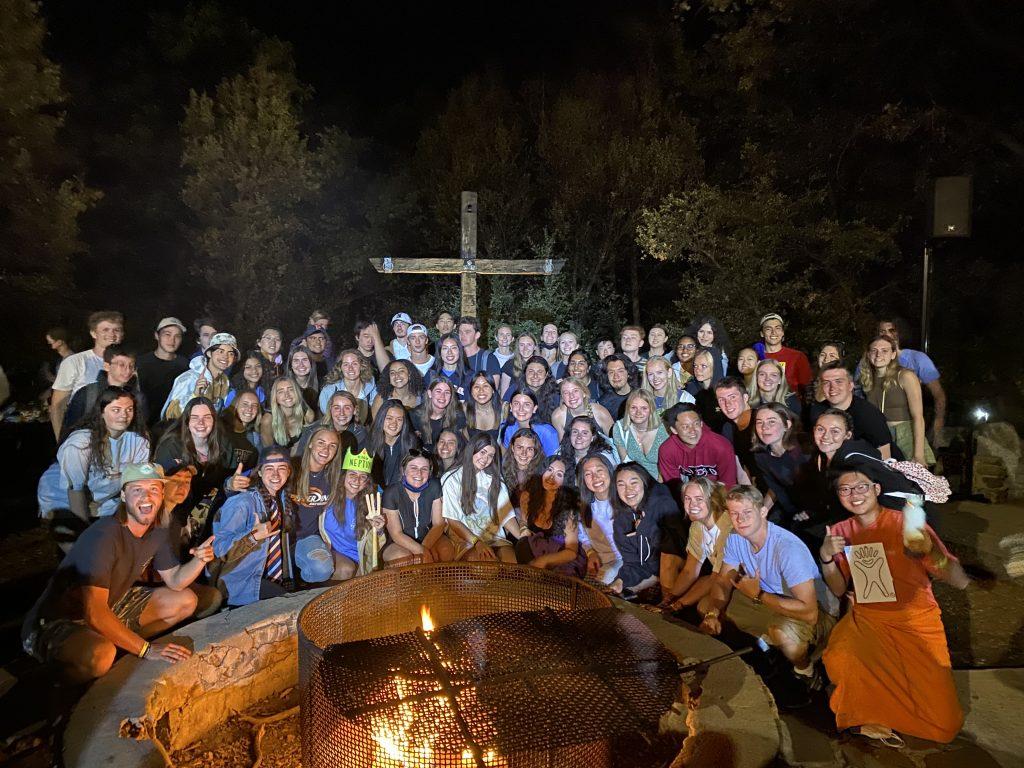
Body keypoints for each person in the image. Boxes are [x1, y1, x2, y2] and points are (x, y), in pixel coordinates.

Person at [22, 462, 214, 682]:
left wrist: (199, 560)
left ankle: (118, 645)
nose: (147, 497)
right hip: (58, 621)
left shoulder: (158, 527)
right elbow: (93, 612)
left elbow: (176, 581)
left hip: (109, 605)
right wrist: (147, 650)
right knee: (99, 656)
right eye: (137, 490)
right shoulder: (104, 536)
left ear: (162, 494)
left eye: (153, 489)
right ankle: (60, 683)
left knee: (186, 600)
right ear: (123, 495)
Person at [820, 469, 966, 745]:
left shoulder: (906, 524)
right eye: (845, 489)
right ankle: (864, 705)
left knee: (944, 726)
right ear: (839, 496)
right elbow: (839, 589)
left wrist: (930, 551)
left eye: (861, 487)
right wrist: (826, 557)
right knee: (840, 656)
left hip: (916, 622)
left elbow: (957, 579)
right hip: (870, 620)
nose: (855, 494)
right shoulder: (840, 533)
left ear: (876, 489)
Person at [697, 485, 835, 685]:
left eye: (747, 512)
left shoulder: (787, 549)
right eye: (734, 514)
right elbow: (723, 580)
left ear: (762, 511)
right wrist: (713, 614)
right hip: (767, 597)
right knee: (707, 605)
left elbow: (810, 612)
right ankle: (763, 655)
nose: (740, 519)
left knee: (782, 632)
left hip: (817, 611)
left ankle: (806, 671)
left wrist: (758, 595)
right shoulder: (736, 538)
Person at [37, 387, 151, 549]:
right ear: (102, 412)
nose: (123, 415)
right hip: (64, 497)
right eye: (116, 410)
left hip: (105, 499)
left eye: (129, 409)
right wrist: (85, 538)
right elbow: (75, 492)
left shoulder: (139, 442)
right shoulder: (81, 444)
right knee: (81, 554)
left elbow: (135, 486)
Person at [155, 397, 251, 553]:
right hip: (175, 506)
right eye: (195, 418)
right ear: (186, 421)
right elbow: (167, 489)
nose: (201, 423)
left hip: (206, 504)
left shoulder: (223, 445)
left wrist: (230, 484)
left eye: (207, 417)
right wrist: (182, 520)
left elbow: (225, 482)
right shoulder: (171, 446)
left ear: (214, 420)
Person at [211, 446, 300, 605]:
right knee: (289, 605)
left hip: (268, 577)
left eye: (281, 468)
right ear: (259, 472)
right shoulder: (242, 502)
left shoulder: (282, 499)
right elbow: (219, 549)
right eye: (269, 468)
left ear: (289, 472)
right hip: (241, 582)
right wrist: (252, 537)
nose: (275, 474)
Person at [609, 462, 687, 599]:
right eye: (621, 485)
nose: (628, 490)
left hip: (682, 564)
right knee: (615, 591)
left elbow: (677, 545)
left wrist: (645, 528)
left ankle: (668, 606)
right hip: (651, 570)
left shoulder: (662, 503)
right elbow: (633, 562)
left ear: (645, 482)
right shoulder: (621, 521)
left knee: (668, 557)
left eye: (634, 483)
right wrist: (620, 580)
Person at [290, 428, 357, 584]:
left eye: (332, 445)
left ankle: (308, 591)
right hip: (283, 539)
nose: (326, 449)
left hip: (309, 538)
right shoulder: (291, 468)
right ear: (310, 444)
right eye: (321, 443)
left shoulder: (333, 478)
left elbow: (358, 490)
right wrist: (230, 485)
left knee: (342, 568)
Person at [442, 433, 522, 561]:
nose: (485, 459)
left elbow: (505, 514)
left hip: (494, 537)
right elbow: (452, 520)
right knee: (488, 564)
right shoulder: (452, 479)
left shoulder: (495, 479)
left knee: (511, 563)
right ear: (472, 450)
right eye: (482, 452)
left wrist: (523, 538)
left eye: (490, 456)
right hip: (466, 538)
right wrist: (477, 542)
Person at [311, 448, 386, 580]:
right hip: (334, 556)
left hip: (360, 560)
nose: (357, 481)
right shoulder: (327, 498)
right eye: (352, 474)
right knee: (347, 569)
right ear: (343, 476)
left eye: (363, 477)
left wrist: (379, 531)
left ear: (367, 482)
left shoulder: (370, 504)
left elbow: (371, 549)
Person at [660, 478, 732, 613]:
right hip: (720, 578)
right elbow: (690, 571)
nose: (692, 504)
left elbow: (716, 578)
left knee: (703, 607)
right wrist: (668, 600)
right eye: (687, 499)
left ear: (712, 500)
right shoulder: (697, 526)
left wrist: (678, 604)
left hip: (740, 581)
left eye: (699, 499)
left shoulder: (727, 527)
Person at [50, 311, 125, 439]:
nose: (112, 335)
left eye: (116, 330)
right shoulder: (75, 362)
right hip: (84, 436)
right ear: (93, 333)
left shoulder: (130, 363)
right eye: (105, 330)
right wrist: (61, 441)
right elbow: (57, 406)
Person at [860, 336, 933, 466]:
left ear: (893, 354)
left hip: (905, 436)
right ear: (868, 354)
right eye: (874, 350)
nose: (878, 354)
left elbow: (918, 417)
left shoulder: (906, 376)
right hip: (880, 437)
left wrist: (919, 454)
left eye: (884, 350)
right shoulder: (867, 379)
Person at [876, 316, 946, 442]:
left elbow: (938, 394)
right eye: (882, 331)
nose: (886, 334)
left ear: (899, 332)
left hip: (911, 425)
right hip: (879, 427)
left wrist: (938, 420)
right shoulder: (870, 359)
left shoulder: (918, 359)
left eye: (891, 330)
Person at [515, 457, 587, 577]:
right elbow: (524, 522)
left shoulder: (568, 507)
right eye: (549, 470)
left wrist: (544, 561)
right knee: (522, 544)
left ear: (564, 481)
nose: (551, 477)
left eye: (559, 474)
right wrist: (523, 528)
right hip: (536, 548)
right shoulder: (527, 496)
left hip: (561, 555)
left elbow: (571, 552)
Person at [61, 344, 147, 441]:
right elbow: (70, 429)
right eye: (121, 365)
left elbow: (141, 430)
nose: (127, 370)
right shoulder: (87, 394)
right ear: (107, 366)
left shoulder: (138, 397)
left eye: (131, 365)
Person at [809, 362, 895, 459]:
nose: (832, 388)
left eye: (838, 381)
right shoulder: (818, 410)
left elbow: (885, 458)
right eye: (826, 383)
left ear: (850, 385)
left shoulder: (869, 415)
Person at [381, 450, 454, 565]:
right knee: (403, 559)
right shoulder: (391, 493)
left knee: (445, 551)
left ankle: (437, 582)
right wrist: (421, 551)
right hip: (398, 542)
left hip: (427, 536)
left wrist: (424, 549)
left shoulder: (434, 487)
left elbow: (439, 524)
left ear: (429, 472)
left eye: (424, 469)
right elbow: (396, 534)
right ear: (403, 470)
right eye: (413, 468)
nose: (419, 473)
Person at [751, 403, 811, 527]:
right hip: (792, 510)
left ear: (787, 425)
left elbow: (819, 488)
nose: (764, 427)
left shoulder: (804, 450)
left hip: (817, 508)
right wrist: (764, 510)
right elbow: (777, 489)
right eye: (759, 422)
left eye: (771, 422)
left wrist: (809, 511)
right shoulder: (761, 455)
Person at [657, 403, 738, 496]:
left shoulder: (721, 446)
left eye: (696, 424)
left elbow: (728, 484)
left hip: (718, 495)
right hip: (689, 496)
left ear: (701, 424)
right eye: (685, 427)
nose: (692, 431)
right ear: (674, 430)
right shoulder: (667, 450)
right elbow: (674, 487)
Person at [162, 332, 238, 420]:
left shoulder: (224, 381)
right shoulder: (189, 378)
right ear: (209, 353)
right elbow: (170, 416)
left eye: (231, 353)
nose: (225, 356)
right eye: (220, 351)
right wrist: (195, 396)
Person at [576, 454, 623, 584]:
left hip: (626, 560)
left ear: (609, 470)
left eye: (599, 470)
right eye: (588, 474)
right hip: (600, 560)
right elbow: (582, 535)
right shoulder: (584, 507)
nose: (595, 477)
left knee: (603, 580)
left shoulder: (625, 499)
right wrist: (590, 552)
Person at [135, 317, 189, 426]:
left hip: (173, 425)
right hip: (144, 425)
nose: (172, 340)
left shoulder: (185, 365)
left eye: (177, 336)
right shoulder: (141, 363)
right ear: (156, 336)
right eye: (167, 334)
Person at [612, 389, 669, 480]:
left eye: (644, 408)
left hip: (662, 480)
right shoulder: (620, 428)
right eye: (633, 408)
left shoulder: (664, 429)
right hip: (635, 480)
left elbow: (667, 467)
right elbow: (625, 462)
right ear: (628, 409)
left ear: (651, 409)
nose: (638, 413)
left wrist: (658, 489)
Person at [367, 399, 422, 488]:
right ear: (381, 418)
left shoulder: (412, 443)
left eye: (399, 419)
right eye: (389, 418)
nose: (394, 423)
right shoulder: (370, 441)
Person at [757, 313, 813, 400]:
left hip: (790, 407)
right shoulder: (754, 357)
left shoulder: (798, 356)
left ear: (782, 332)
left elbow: (807, 386)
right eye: (768, 329)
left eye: (778, 328)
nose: (773, 332)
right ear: (762, 333)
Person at [296, 390, 367, 455]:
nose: (341, 413)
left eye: (347, 408)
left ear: (354, 410)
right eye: (337, 408)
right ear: (330, 409)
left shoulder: (360, 434)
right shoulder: (312, 431)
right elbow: (298, 460)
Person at [319, 348, 378, 423]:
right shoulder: (329, 391)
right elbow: (327, 418)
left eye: (354, 364)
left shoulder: (372, 390)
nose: (350, 368)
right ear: (340, 367)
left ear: (361, 366)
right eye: (346, 364)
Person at [557, 415, 617, 487]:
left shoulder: (604, 458)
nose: (579, 436)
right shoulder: (561, 452)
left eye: (584, 433)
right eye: (575, 432)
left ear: (592, 438)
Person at [715, 377, 756, 483]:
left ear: (745, 397)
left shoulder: (761, 420)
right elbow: (741, 471)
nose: (727, 404)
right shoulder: (728, 429)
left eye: (732, 397)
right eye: (721, 400)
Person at [412, 378, 465, 453]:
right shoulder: (415, 415)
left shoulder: (458, 416)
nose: (442, 396)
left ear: (451, 396)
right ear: (430, 394)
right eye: (438, 391)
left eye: (447, 392)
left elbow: (459, 447)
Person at [259, 377, 315, 449]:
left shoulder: (308, 415)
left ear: (297, 392)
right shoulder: (267, 420)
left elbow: (307, 447)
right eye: (281, 392)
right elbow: (268, 452)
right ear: (275, 397)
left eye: (291, 389)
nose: (287, 395)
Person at [501, 427, 545, 508]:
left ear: (535, 452)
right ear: (512, 448)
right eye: (519, 447)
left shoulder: (543, 474)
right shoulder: (501, 471)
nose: (523, 453)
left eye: (529, 449)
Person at [425, 333, 471, 401]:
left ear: (460, 351)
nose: (449, 352)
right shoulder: (430, 375)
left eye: (454, 348)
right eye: (445, 348)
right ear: (440, 352)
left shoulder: (470, 376)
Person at [683, 349, 723, 429]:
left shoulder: (724, 391)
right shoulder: (691, 390)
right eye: (695, 366)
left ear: (714, 367)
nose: (697, 370)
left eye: (703, 366)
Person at [457, 316, 501, 385]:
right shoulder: (454, 357)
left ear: (477, 335)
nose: (462, 336)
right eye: (460, 332)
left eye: (467, 332)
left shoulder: (489, 359)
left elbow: (493, 390)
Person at [686, 315, 731, 379]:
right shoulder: (689, 349)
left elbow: (721, 377)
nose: (704, 336)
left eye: (709, 333)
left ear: (715, 335)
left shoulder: (720, 353)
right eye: (701, 331)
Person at [221, 391, 264, 458]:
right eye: (245, 404)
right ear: (236, 405)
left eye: (254, 405)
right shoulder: (220, 428)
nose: (250, 409)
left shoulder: (255, 438)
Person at [598, 353, 640, 420]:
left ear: (628, 373)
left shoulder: (640, 395)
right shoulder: (604, 403)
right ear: (606, 376)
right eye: (611, 372)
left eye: (620, 371)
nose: (616, 376)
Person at [499, 332, 538, 398]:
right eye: (522, 345)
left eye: (529, 345)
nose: (525, 348)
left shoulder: (542, 365)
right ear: (518, 347)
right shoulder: (509, 365)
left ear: (535, 347)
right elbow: (503, 395)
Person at [465, 371, 502, 440]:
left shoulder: (503, 411)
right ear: (471, 391)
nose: (481, 391)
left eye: (485, 386)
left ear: (493, 390)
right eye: (476, 387)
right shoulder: (465, 409)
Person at [287, 345, 320, 414]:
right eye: (296, 361)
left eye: (305, 360)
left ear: (311, 364)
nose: (301, 364)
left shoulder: (321, 386)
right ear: (291, 366)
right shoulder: (284, 387)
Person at [254, 327, 284, 393]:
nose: (273, 342)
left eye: (277, 339)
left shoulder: (283, 365)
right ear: (259, 342)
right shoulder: (251, 361)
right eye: (268, 338)